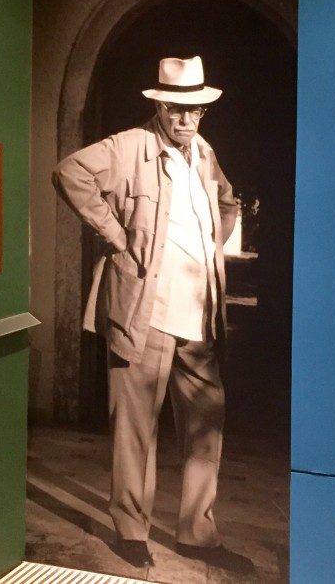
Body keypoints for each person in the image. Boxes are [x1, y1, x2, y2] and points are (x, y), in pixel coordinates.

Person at [53, 56, 254, 575]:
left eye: (195, 110)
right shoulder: (129, 147)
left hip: (200, 318)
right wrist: (115, 235)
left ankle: (197, 534)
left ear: (203, 112)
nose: (185, 119)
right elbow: (70, 172)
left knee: (206, 429)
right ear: (159, 106)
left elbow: (227, 202)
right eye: (175, 109)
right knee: (134, 430)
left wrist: (210, 249)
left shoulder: (203, 153)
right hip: (146, 315)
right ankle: (130, 531)